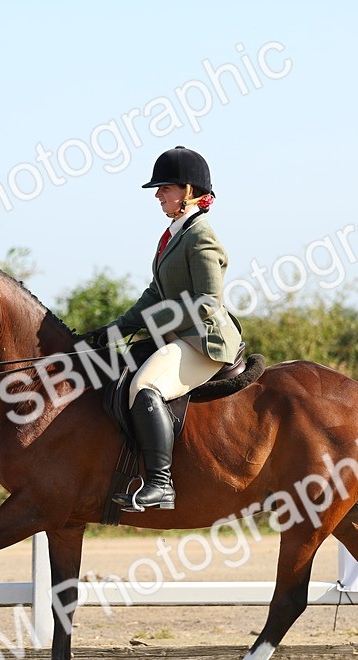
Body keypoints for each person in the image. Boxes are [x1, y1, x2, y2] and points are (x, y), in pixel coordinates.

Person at [81, 146, 243, 511]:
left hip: (204, 341)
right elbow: (155, 293)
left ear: (188, 191)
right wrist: (115, 329)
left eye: (165, 188)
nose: (158, 195)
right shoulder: (174, 234)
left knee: (145, 386)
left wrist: (157, 322)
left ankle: (160, 484)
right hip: (179, 337)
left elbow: (207, 300)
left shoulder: (201, 237)